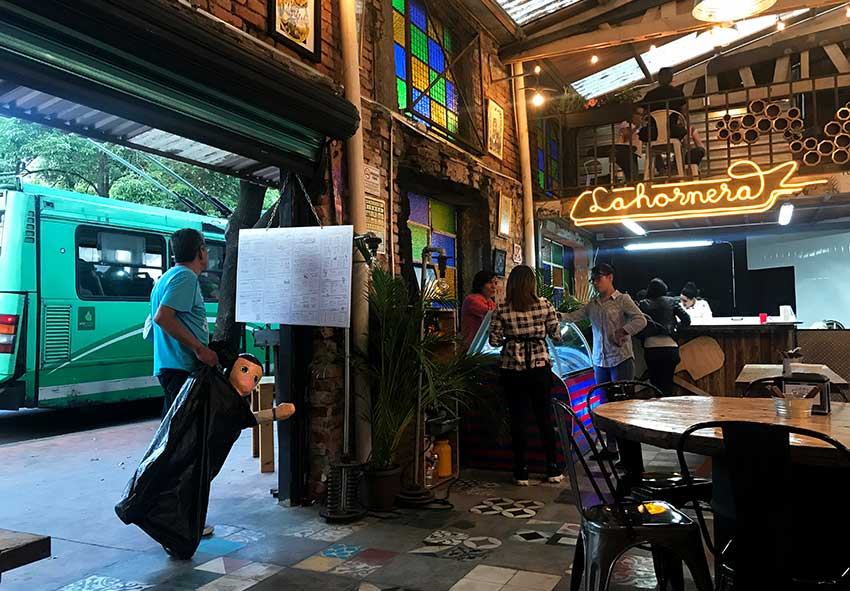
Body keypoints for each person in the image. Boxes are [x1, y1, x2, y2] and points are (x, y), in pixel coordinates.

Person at [150, 228, 219, 537]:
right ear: (201, 250)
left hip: (170, 368)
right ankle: (177, 518)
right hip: (181, 371)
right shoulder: (184, 278)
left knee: (175, 445)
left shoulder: (163, 279)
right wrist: (199, 349)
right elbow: (163, 318)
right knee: (185, 449)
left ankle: (173, 515)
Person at [561, 263, 646, 461]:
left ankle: (628, 455)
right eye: (594, 280)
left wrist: (624, 330)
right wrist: (555, 316)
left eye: (599, 279)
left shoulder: (623, 300)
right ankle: (611, 447)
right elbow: (574, 316)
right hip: (600, 360)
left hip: (621, 359)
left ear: (610, 277)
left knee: (623, 406)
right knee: (604, 405)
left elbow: (641, 320)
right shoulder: (593, 304)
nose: (596, 283)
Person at [489, 265, 562, 486]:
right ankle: (552, 468)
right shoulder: (544, 304)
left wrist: (511, 340)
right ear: (532, 284)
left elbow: (493, 341)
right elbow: (557, 335)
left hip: (512, 369)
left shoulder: (501, 307)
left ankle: (521, 471)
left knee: (518, 420)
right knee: (544, 419)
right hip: (539, 367)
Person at [638, 278, 690, 396]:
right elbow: (686, 319)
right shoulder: (672, 301)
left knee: (655, 383)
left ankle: (658, 410)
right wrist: (675, 331)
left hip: (651, 347)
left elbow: (637, 324)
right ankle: (668, 409)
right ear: (664, 290)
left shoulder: (643, 304)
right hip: (670, 347)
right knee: (668, 383)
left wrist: (642, 336)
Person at [461, 271, 497, 347]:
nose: (494, 286)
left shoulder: (490, 301)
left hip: (483, 346)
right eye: (490, 283)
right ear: (480, 284)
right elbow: (492, 314)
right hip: (471, 347)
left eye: (495, 283)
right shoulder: (472, 300)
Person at [613, 107, 645, 181]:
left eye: (642, 114)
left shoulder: (638, 128)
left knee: (632, 175)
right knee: (632, 175)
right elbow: (626, 136)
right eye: (638, 114)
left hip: (633, 153)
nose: (640, 116)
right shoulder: (626, 124)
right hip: (624, 152)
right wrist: (636, 127)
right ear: (633, 115)